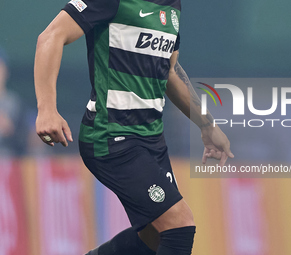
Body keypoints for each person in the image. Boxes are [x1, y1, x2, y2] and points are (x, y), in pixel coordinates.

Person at [34, 0, 234, 254]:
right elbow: (51, 36)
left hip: (152, 140)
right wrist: (47, 109)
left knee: (154, 238)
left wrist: (207, 124)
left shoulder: (173, 6)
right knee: (179, 226)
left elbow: (169, 72)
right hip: (111, 136)